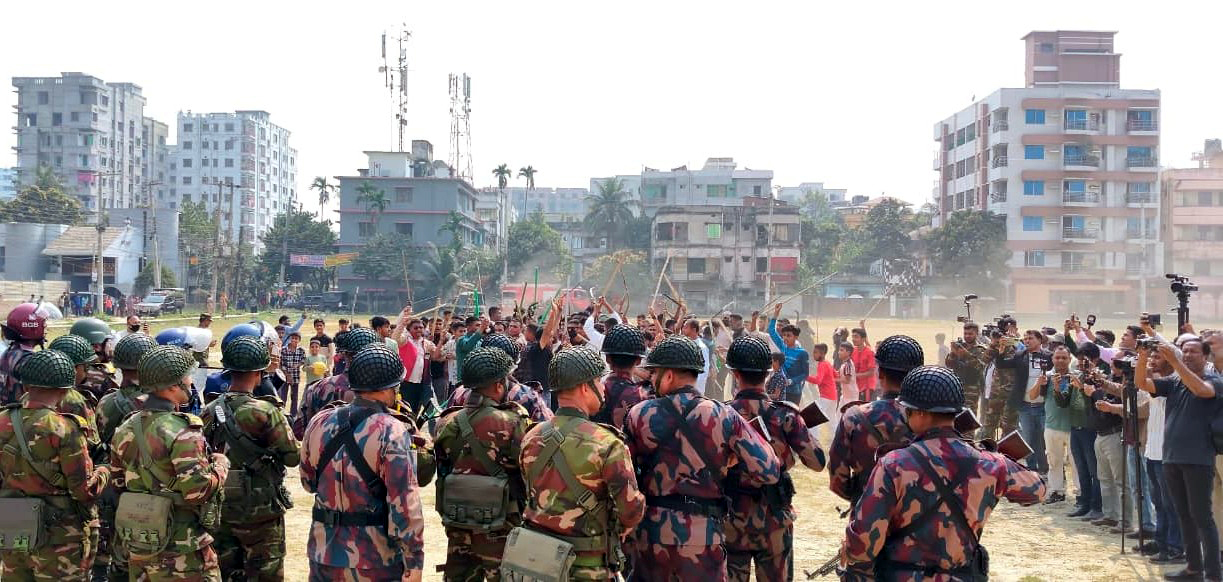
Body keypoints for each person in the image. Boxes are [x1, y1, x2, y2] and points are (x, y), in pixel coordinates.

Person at [841, 366, 1047, 579]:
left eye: (907, 410)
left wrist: (848, 549)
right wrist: (996, 457)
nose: (904, 415)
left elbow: (863, 546)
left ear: (919, 412)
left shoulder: (893, 464)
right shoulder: (991, 464)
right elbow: (1038, 490)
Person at [622, 335, 781, 579]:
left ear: (669, 375)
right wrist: (730, 459)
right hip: (703, 538)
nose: (651, 379)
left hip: (650, 538)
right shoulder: (722, 415)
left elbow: (625, 476)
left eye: (654, 374)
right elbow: (769, 470)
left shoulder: (638, 414)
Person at [513, 346, 646, 580]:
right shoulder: (607, 444)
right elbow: (631, 511)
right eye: (599, 380)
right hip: (588, 566)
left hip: (539, 564)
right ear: (586, 387)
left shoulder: (531, 437)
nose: (604, 388)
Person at [300, 344, 426, 582]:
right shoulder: (393, 430)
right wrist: (414, 560)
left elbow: (308, 483)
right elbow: (404, 503)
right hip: (375, 558)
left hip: (323, 552)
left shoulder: (320, 421)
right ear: (392, 387)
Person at [110, 345, 229, 580]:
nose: (191, 381)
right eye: (187, 376)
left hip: (140, 542)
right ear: (173, 386)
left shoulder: (126, 427)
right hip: (181, 549)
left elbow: (117, 481)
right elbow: (197, 492)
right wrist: (221, 466)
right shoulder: (184, 430)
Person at [0, 350, 112, 580]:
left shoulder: (3, 420)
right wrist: (104, 471)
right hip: (59, 533)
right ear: (64, 389)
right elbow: (83, 491)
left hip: (12, 522)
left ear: (26, 385)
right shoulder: (65, 428)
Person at [723, 336, 826, 581]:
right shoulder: (785, 415)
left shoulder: (721, 414)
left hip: (732, 520)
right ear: (768, 374)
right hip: (774, 523)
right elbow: (818, 462)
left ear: (735, 374)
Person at [199, 336, 299, 581]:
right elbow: (292, 457)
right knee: (266, 572)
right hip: (261, 510)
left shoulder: (208, 411)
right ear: (260, 373)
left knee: (226, 572)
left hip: (221, 507)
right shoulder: (266, 411)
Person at [434, 347, 532, 580]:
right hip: (500, 528)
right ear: (499, 385)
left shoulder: (446, 422)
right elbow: (528, 471)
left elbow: (442, 470)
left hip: (458, 523)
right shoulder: (513, 422)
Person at [1137, 338, 1223, 581]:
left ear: (1205, 356)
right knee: (1183, 515)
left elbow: (1201, 391)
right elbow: (1141, 383)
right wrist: (1143, 356)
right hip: (1172, 458)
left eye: (1193, 351)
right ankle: (1193, 568)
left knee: (1202, 517)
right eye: (1184, 351)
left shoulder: (1214, 380)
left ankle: (1214, 574)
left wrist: (1174, 360)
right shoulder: (1174, 382)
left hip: (1198, 459)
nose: (1187, 355)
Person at [828, 335, 925, 502]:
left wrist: (863, 497)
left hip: (868, 515)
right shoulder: (930, 417)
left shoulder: (855, 417)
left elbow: (838, 478)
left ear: (879, 373)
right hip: (919, 512)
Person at [293, 327, 382, 439]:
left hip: (324, 452)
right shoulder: (384, 392)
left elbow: (298, 432)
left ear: (345, 354)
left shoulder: (317, 388)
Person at [996, 329, 1051, 475]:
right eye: (1025, 339)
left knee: (1044, 439)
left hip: (1044, 405)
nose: (1027, 341)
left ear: (1040, 340)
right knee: (1028, 438)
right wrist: (1001, 351)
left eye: (1030, 338)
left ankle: (1046, 469)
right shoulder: (1020, 355)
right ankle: (1032, 469)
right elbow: (1001, 365)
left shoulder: (1049, 357)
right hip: (1025, 406)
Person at [1038, 345, 1075, 505]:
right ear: (1052, 359)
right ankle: (1056, 491)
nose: (1060, 360)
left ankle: (1081, 494)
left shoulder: (1076, 377)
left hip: (1073, 427)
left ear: (1070, 359)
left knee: (1076, 464)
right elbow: (1033, 396)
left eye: (1064, 357)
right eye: (1057, 357)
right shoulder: (1046, 377)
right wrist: (1039, 383)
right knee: (1054, 462)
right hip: (1052, 426)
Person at [981, 318, 1021, 439]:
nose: (1007, 332)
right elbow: (984, 360)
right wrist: (993, 343)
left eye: (1011, 328)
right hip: (996, 391)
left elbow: (1022, 358)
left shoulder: (1021, 343)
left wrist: (1013, 342)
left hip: (1012, 391)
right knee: (989, 424)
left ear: (1016, 329)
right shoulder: (997, 343)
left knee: (1009, 427)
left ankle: (1007, 455)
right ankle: (987, 452)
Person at [1, 303, 49, 405]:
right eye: (43, 323)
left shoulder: (10, 351)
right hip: (21, 417)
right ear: (32, 326)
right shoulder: (29, 360)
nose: (46, 327)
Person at [945, 322, 989, 424]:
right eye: (965, 333)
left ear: (977, 334)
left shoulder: (981, 349)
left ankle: (968, 440)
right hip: (957, 387)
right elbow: (949, 364)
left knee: (968, 419)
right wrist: (953, 353)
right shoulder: (960, 346)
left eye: (970, 334)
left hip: (972, 388)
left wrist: (966, 355)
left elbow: (981, 366)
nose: (967, 336)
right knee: (955, 418)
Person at [768, 305, 808, 405]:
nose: (785, 338)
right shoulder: (782, 346)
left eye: (789, 336)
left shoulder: (802, 353)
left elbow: (805, 374)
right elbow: (771, 331)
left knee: (791, 417)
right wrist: (776, 314)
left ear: (796, 337)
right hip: (780, 390)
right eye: (784, 335)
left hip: (794, 391)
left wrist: (791, 381)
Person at [809, 343, 838, 441]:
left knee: (813, 417)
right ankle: (838, 439)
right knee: (832, 421)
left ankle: (814, 440)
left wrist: (805, 377)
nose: (813, 354)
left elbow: (818, 381)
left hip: (826, 397)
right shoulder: (828, 363)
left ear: (822, 353)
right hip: (833, 397)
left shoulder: (822, 364)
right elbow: (836, 375)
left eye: (815, 352)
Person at [454, 316, 488, 385]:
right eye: (477, 325)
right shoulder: (462, 340)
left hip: (478, 378)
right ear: (468, 327)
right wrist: (481, 328)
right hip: (464, 379)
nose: (480, 327)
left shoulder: (481, 341)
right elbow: (468, 346)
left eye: (480, 325)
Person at [280, 331, 306, 416]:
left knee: (294, 397)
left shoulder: (301, 350)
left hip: (295, 376)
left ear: (299, 340)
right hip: (284, 377)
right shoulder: (284, 349)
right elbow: (281, 363)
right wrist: (287, 375)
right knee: (283, 396)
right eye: (293, 338)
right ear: (290, 339)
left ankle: (293, 415)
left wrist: (298, 365)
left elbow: (303, 360)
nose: (294, 340)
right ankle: (282, 413)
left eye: (296, 339)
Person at [850, 327, 876, 401]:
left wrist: (855, 376)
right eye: (852, 337)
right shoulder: (853, 351)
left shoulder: (869, 352)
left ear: (863, 339)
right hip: (856, 386)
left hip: (867, 387)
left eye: (856, 337)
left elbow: (871, 372)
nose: (853, 339)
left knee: (865, 410)